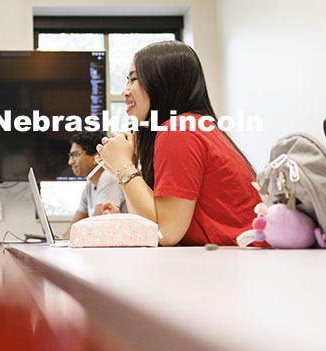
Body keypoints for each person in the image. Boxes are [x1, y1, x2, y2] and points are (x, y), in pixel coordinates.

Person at [96, 40, 259, 247]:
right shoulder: (193, 126)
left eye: (134, 79)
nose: (125, 91)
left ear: (163, 82)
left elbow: (164, 233)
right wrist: (125, 168)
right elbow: (151, 225)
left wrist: (123, 166)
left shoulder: (178, 130)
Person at [62, 131, 127, 240]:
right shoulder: (90, 184)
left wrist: (76, 234)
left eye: (75, 155)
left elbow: (96, 229)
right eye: (70, 155)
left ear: (96, 157)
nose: (70, 162)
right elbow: (72, 231)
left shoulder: (109, 178)